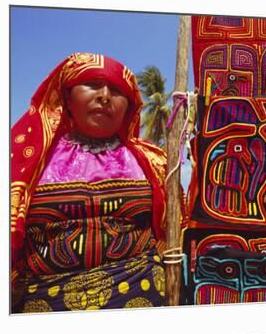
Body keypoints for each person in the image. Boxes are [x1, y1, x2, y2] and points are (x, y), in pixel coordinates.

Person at [10, 53, 169, 312]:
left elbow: (175, 230)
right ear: (68, 98)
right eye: (93, 85)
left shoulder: (155, 161)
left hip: (142, 299)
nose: (105, 95)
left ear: (129, 106)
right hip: (43, 305)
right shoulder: (25, 157)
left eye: (117, 90)